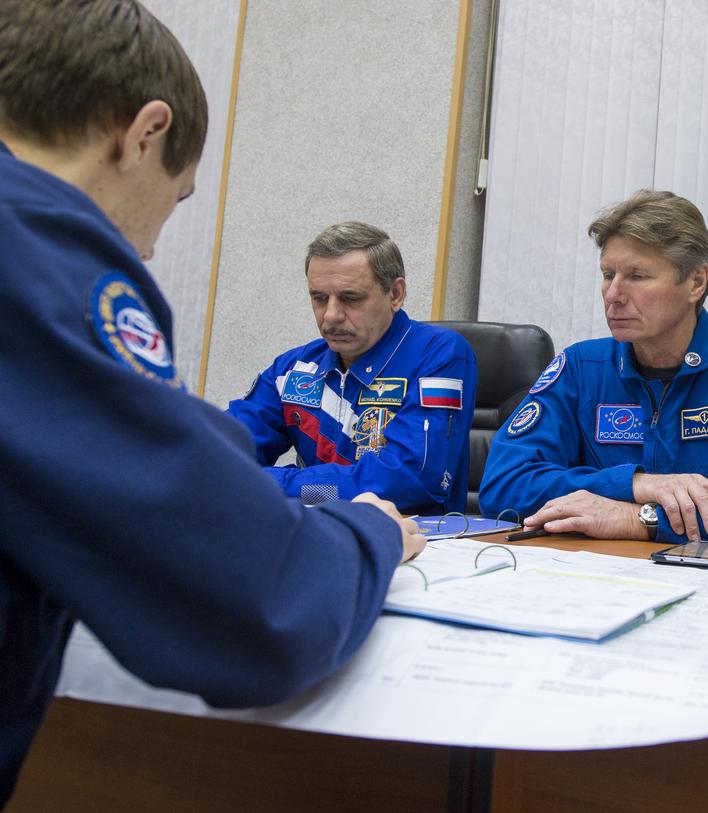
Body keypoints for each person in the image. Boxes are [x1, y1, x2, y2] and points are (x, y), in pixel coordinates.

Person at [0, 2, 424, 801]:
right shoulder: (38, 256)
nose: (153, 246)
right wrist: (365, 524)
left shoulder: (439, 355)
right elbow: (264, 600)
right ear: (143, 134)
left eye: (351, 296)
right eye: (177, 197)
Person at [479, 190, 708, 552]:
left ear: (696, 282)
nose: (613, 294)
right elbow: (503, 485)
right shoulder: (580, 367)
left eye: (638, 276)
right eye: (608, 274)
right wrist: (637, 484)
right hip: (598, 583)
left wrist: (642, 519)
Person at [227, 222, 477, 513]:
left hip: (414, 546)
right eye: (319, 298)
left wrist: (278, 486)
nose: (331, 315)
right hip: (312, 536)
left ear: (395, 294)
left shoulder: (439, 354)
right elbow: (218, 454)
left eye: (351, 298)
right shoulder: (294, 369)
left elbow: (407, 481)